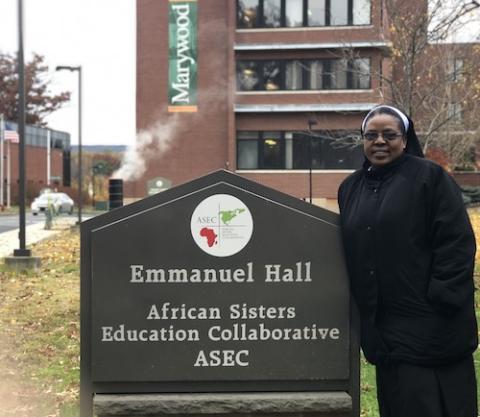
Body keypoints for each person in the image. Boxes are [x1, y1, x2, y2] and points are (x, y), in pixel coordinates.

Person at [337, 104, 478, 417]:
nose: (380, 142)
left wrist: (441, 297)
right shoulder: (350, 188)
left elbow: (456, 241)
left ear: (405, 138)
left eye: (390, 135)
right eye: (371, 135)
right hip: (383, 325)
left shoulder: (429, 178)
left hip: (431, 321)